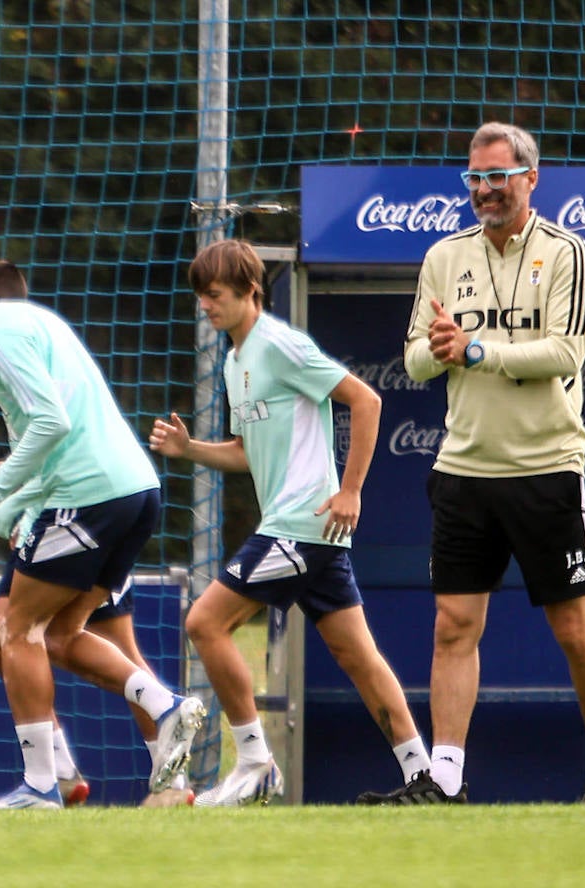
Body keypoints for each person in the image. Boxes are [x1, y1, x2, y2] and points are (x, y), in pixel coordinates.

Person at [358, 121, 585, 805]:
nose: (485, 190)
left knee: (574, 628)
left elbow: (565, 354)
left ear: (530, 179)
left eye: (498, 177)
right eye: (475, 179)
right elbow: (416, 357)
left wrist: (474, 349)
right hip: (465, 469)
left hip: (547, 467)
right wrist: (444, 348)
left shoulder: (570, 253)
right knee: (454, 624)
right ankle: (445, 777)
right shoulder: (444, 256)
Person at [0, 268, 206, 810]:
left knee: (17, 630)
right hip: (135, 491)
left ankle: (43, 784)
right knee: (62, 633)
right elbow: (52, 437)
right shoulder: (31, 321)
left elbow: (51, 424)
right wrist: (7, 504)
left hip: (89, 498)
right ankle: (160, 713)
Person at [148, 238, 429, 807]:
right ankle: (426, 778)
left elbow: (366, 402)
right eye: (202, 297)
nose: (207, 306)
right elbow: (246, 453)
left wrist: (350, 491)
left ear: (252, 291)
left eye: (217, 295)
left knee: (204, 622)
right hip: (307, 532)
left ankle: (255, 764)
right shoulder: (233, 361)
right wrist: (189, 449)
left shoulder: (280, 344)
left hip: (302, 523)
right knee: (357, 655)